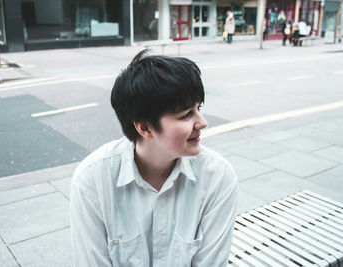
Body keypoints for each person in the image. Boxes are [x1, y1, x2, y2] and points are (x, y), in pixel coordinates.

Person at [70, 50, 239, 267]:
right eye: (186, 114)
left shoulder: (217, 177)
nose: (202, 122)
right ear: (144, 128)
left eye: (199, 108)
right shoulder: (92, 180)